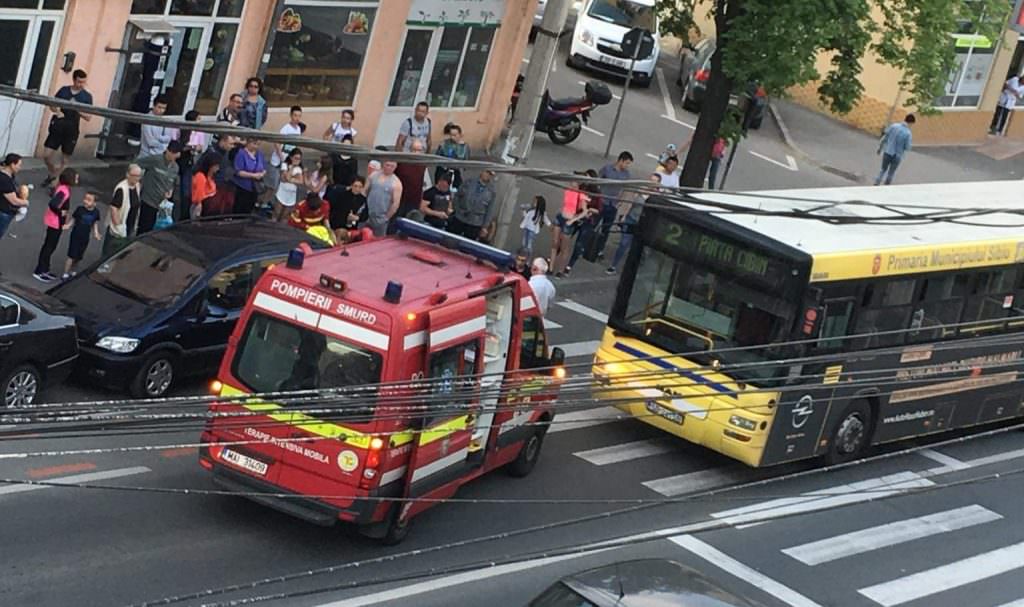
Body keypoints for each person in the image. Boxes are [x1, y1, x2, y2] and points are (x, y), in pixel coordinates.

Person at [42, 69, 92, 188]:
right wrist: (57, 111)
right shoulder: (64, 91)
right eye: (79, 82)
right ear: (74, 80)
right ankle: (53, 173)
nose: (81, 85)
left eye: (83, 82)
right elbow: (52, 104)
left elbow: (88, 116)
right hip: (58, 126)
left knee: (65, 159)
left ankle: (55, 183)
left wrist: (76, 108)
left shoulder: (86, 96)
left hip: (72, 130)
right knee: (46, 155)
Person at [607, 173, 660, 275]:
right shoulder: (640, 191)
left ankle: (635, 266)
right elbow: (630, 203)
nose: (651, 183)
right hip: (631, 219)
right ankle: (613, 265)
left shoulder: (657, 197)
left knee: (639, 246)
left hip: (643, 223)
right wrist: (624, 215)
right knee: (624, 243)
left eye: (654, 182)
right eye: (651, 180)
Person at [33, 168, 76, 282]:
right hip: (55, 223)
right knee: (49, 246)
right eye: (75, 176)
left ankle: (45, 269)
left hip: (56, 222)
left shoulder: (63, 188)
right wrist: (60, 213)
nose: (77, 178)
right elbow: (53, 204)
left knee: (51, 246)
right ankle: (40, 270)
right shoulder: (63, 190)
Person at [136, 140, 182, 234]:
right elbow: (136, 164)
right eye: (171, 152)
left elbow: (173, 182)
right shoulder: (156, 160)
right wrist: (138, 181)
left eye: (175, 153)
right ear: (167, 150)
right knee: (144, 229)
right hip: (149, 200)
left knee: (155, 232)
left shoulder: (175, 168)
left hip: (162, 206)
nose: (171, 155)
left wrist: (170, 190)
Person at [593, 151, 633, 259]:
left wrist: (620, 201)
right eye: (627, 163)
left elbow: (625, 189)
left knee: (606, 228)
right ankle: (587, 244)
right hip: (602, 201)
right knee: (594, 223)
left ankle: (599, 250)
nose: (627, 166)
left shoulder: (626, 175)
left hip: (613, 204)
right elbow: (597, 180)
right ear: (621, 160)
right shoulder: (607, 169)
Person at [550, 173, 589, 277]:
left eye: (574, 181)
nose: (571, 183)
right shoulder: (567, 191)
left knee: (564, 247)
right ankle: (551, 267)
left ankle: (560, 270)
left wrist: (573, 220)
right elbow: (564, 205)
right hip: (561, 217)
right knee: (555, 243)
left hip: (569, 220)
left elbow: (585, 211)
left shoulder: (581, 195)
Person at [62, 190, 102, 279]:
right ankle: (65, 273)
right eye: (85, 198)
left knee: (79, 256)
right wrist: (68, 225)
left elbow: (94, 223)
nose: (85, 201)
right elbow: (74, 219)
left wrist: (96, 233)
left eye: (89, 200)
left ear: (95, 203)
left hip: (85, 237)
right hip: (75, 235)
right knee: (71, 255)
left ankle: (73, 270)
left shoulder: (96, 212)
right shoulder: (80, 209)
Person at [450, 170, 498, 242]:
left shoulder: (492, 191)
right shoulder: (469, 182)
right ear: (482, 172)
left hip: (475, 223)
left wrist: (485, 227)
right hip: (460, 217)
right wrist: (457, 210)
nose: (487, 175)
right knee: (451, 240)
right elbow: (457, 196)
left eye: (490, 174)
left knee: (467, 245)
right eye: (487, 172)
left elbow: (489, 210)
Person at [104, 164, 141, 256]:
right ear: (128, 174)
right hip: (119, 225)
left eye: (138, 176)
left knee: (121, 249)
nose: (136, 178)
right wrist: (118, 226)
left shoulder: (137, 186)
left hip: (130, 224)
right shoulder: (121, 189)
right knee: (110, 247)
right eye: (134, 176)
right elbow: (114, 208)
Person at [198, 134, 236, 216]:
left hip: (219, 188)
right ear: (223, 141)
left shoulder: (225, 152)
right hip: (208, 189)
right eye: (231, 144)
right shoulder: (212, 153)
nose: (233, 146)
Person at [270, 105, 304, 193]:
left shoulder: (298, 129)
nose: (297, 118)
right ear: (291, 115)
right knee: (273, 184)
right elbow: (276, 142)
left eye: (299, 116)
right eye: (295, 115)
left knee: (282, 182)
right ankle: (262, 201)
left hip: (288, 160)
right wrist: (281, 157)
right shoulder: (285, 128)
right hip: (279, 160)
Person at [364, 160, 402, 237]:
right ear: (383, 164)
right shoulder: (373, 175)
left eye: (392, 166)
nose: (389, 168)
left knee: (378, 242)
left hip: (381, 218)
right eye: (387, 165)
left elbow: (396, 204)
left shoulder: (396, 183)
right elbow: (365, 191)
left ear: (395, 167)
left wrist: (386, 218)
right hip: (367, 214)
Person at [875, 114, 915, 186]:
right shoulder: (908, 133)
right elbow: (907, 147)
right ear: (911, 123)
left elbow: (885, 137)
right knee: (891, 172)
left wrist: (880, 148)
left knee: (883, 170)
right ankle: (886, 186)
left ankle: (876, 183)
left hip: (887, 151)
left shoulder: (894, 126)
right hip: (897, 155)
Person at [326, 176, 367, 242]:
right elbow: (335, 211)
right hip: (339, 227)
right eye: (355, 186)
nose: (357, 189)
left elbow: (365, 215)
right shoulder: (342, 196)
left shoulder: (363, 199)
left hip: (352, 228)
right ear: (351, 185)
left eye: (360, 187)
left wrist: (357, 218)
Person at [232, 138, 266, 214]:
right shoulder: (241, 153)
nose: (256, 147)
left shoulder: (260, 154)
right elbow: (238, 172)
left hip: (254, 188)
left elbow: (264, 167)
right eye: (254, 144)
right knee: (239, 210)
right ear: (248, 142)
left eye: (258, 144)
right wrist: (253, 175)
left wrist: (262, 174)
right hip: (242, 188)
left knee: (249, 210)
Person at [0, 153, 30, 240]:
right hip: (3, 212)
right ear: (12, 165)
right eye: (19, 165)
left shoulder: (8, 174)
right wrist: (26, 202)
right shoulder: (5, 180)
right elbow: (14, 201)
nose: (20, 167)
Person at [395, 138, 427, 218]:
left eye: (419, 150)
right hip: (400, 198)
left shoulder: (423, 164)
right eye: (414, 150)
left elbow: (420, 181)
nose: (416, 153)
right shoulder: (402, 162)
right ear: (410, 150)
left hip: (414, 200)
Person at [435, 123, 470, 190]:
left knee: (456, 190)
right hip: (443, 171)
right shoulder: (443, 144)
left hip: (457, 172)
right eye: (451, 135)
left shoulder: (465, 147)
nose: (452, 137)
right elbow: (437, 157)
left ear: (460, 135)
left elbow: (466, 162)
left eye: (454, 135)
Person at [274, 148, 305, 222]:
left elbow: (300, 181)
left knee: (286, 215)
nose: (297, 160)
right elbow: (284, 178)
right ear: (291, 157)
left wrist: (290, 179)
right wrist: (292, 169)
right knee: (277, 213)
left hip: (291, 195)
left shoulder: (299, 169)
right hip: (282, 192)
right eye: (296, 158)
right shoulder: (285, 165)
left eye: (299, 159)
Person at [190, 154, 219, 220]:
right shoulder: (200, 177)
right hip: (200, 208)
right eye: (216, 166)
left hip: (209, 207)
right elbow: (199, 197)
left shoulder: (210, 176)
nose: (218, 168)